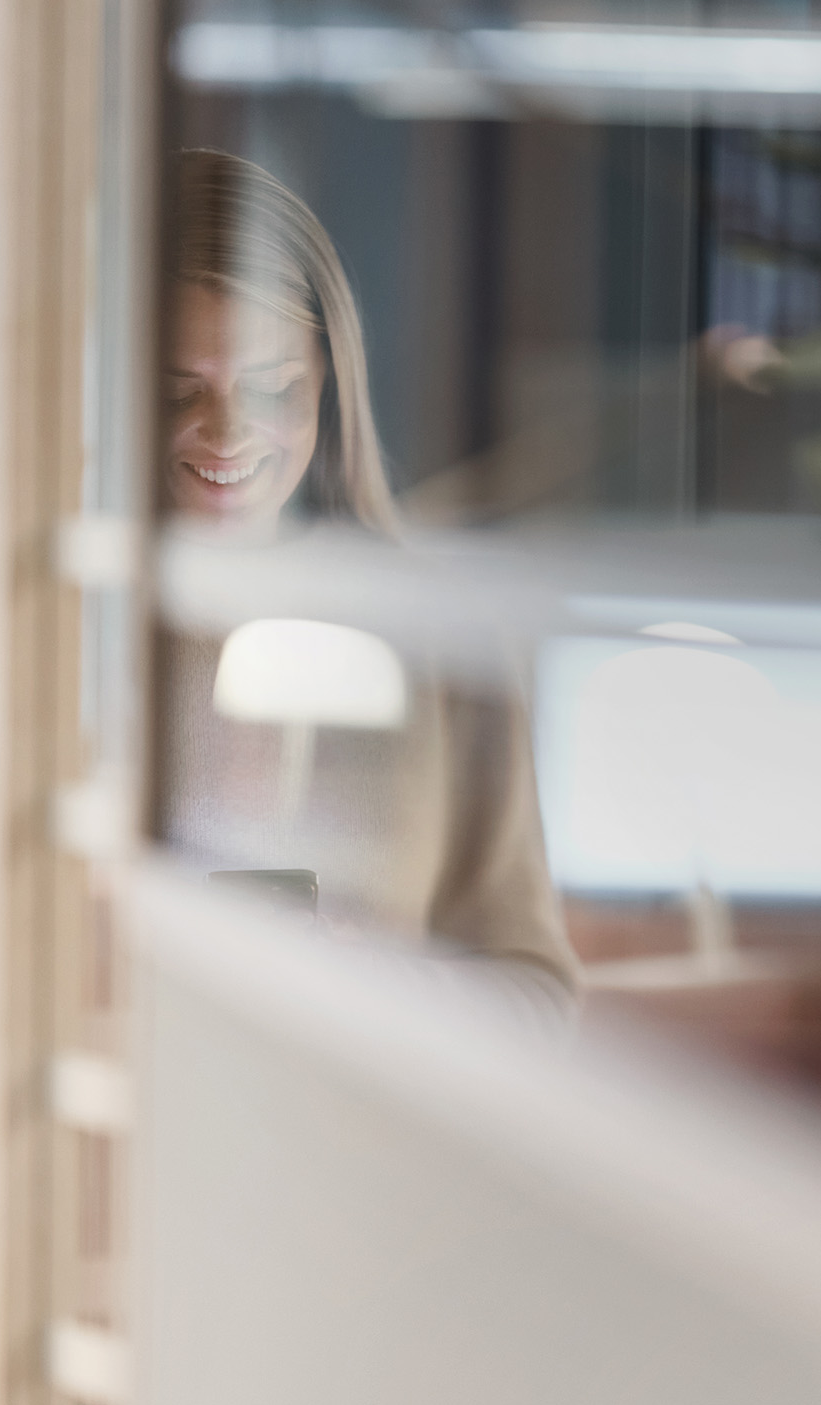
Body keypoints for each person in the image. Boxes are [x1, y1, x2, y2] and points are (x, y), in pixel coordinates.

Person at [159, 148, 580, 1011]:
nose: (228, 433)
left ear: (331, 388)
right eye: (176, 394)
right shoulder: (53, 621)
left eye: (273, 387)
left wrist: (387, 987)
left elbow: (538, 991)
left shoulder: (435, 638)